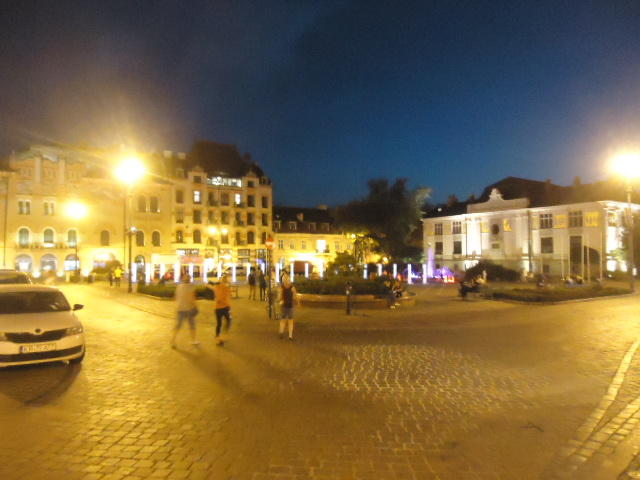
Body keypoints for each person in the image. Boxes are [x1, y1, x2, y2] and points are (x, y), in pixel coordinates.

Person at [171, 274, 200, 348]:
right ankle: (193, 340)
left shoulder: (179, 286)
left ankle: (173, 341)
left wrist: (177, 305)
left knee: (178, 326)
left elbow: (175, 297)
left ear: (183, 279)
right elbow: (192, 298)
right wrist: (196, 306)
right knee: (192, 325)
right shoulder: (191, 286)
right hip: (189, 309)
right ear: (190, 279)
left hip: (180, 308)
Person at [208, 274, 232, 346]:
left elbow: (209, 286)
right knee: (225, 322)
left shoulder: (219, 287)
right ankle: (220, 338)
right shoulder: (224, 287)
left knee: (221, 323)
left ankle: (219, 338)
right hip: (223, 308)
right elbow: (225, 297)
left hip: (220, 308)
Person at [278, 274, 298, 340]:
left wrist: (280, 300)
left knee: (283, 320)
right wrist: (296, 302)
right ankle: (290, 336)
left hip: (284, 306)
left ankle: (281, 332)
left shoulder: (282, 287)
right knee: (290, 321)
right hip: (290, 306)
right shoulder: (292, 288)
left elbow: (279, 297)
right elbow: (295, 297)